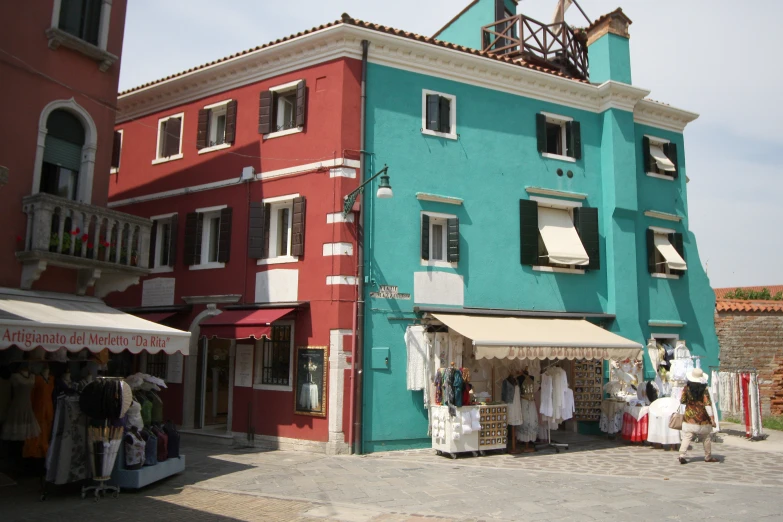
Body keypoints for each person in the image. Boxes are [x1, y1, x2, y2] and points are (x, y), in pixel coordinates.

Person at [678, 368, 718, 464]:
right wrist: (712, 419)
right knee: (706, 437)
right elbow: (707, 404)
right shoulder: (704, 390)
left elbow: (682, 401)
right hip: (702, 418)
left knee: (687, 436)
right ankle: (708, 456)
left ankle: (682, 455)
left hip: (689, 418)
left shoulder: (686, 388)